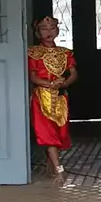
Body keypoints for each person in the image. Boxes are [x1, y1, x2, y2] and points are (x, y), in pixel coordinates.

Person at [28, 16, 78, 184]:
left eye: (52, 28)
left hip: (60, 97)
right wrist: (49, 84)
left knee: (60, 133)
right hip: (42, 97)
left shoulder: (65, 53)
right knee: (48, 134)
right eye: (44, 29)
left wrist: (64, 83)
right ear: (37, 32)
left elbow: (73, 73)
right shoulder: (33, 53)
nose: (49, 32)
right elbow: (33, 77)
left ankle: (51, 165)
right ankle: (59, 170)